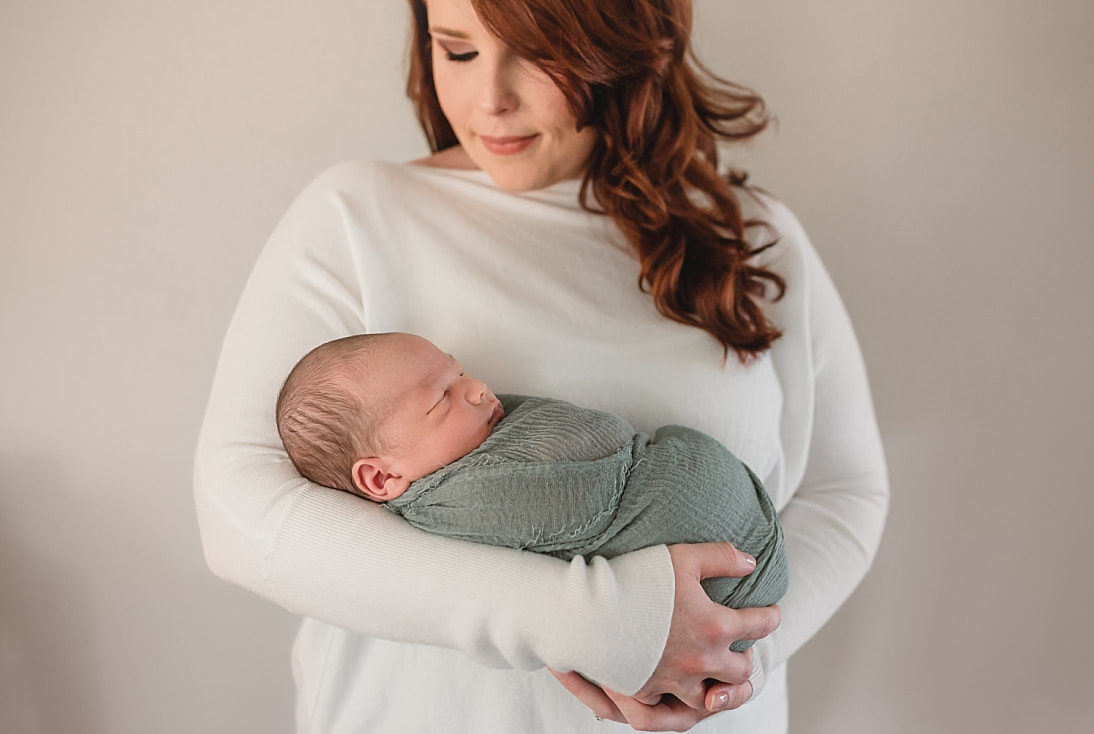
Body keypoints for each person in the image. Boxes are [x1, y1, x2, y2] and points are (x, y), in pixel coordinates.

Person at [193, 0, 889, 731]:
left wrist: (725, 664)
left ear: (619, 38)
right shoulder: (357, 214)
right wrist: (608, 626)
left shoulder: (752, 234)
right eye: (456, 51)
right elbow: (241, 512)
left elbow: (846, 493)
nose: (489, 97)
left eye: (535, 51)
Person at [274, 331, 788, 645]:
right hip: (719, 582)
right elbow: (576, 504)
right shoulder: (464, 500)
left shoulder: (469, 445)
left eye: (461, 372)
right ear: (382, 478)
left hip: (739, 572)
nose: (479, 388)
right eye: (443, 398)